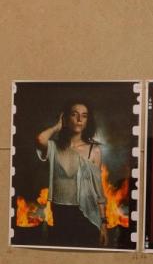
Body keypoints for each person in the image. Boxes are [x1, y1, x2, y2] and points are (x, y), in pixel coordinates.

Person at [35, 100, 108, 247]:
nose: (79, 119)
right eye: (74, 115)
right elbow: (40, 139)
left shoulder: (94, 150)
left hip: (86, 214)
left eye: (84, 116)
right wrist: (57, 126)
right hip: (61, 211)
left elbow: (98, 190)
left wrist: (103, 223)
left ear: (88, 122)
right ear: (66, 119)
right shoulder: (54, 147)